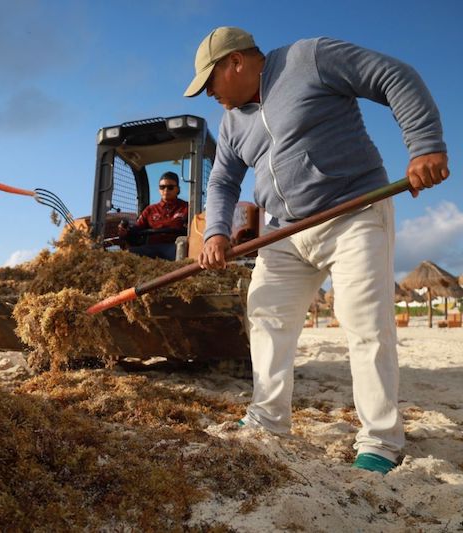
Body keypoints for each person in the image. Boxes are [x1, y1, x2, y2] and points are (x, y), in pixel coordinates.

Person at [184, 27, 449, 474]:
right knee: (265, 315)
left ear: (236, 62)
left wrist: (425, 145)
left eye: (208, 82)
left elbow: (393, 76)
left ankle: (381, 441)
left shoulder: (311, 57)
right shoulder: (231, 124)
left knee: (364, 320)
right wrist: (215, 233)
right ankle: (268, 420)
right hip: (285, 231)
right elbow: (222, 182)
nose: (207, 93)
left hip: (354, 211)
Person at [117, 171, 189, 260]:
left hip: (175, 246)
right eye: (162, 187)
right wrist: (125, 232)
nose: (166, 190)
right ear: (159, 190)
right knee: (128, 255)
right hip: (152, 247)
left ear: (177, 189)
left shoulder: (186, 207)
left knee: (180, 251)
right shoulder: (150, 210)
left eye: (170, 187)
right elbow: (137, 228)